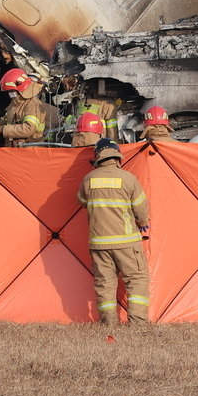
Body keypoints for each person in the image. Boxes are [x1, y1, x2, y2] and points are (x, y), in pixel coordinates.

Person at [76, 139, 152, 324]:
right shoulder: (128, 179)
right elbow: (141, 208)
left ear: (98, 157)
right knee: (137, 279)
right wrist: (142, 222)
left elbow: (82, 201)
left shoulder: (88, 179)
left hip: (99, 243)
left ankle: (109, 322)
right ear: (117, 157)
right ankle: (137, 321)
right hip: (127, 242)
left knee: (105, 283)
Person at [0, 67, 47, 146]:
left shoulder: (33, 105)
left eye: (11, 90)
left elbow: (28, 129)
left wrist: (1, 129)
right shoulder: (15, 102)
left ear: (20, 87)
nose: (10, 93)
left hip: (29, 150)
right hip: (14, 149)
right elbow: (8, 120)